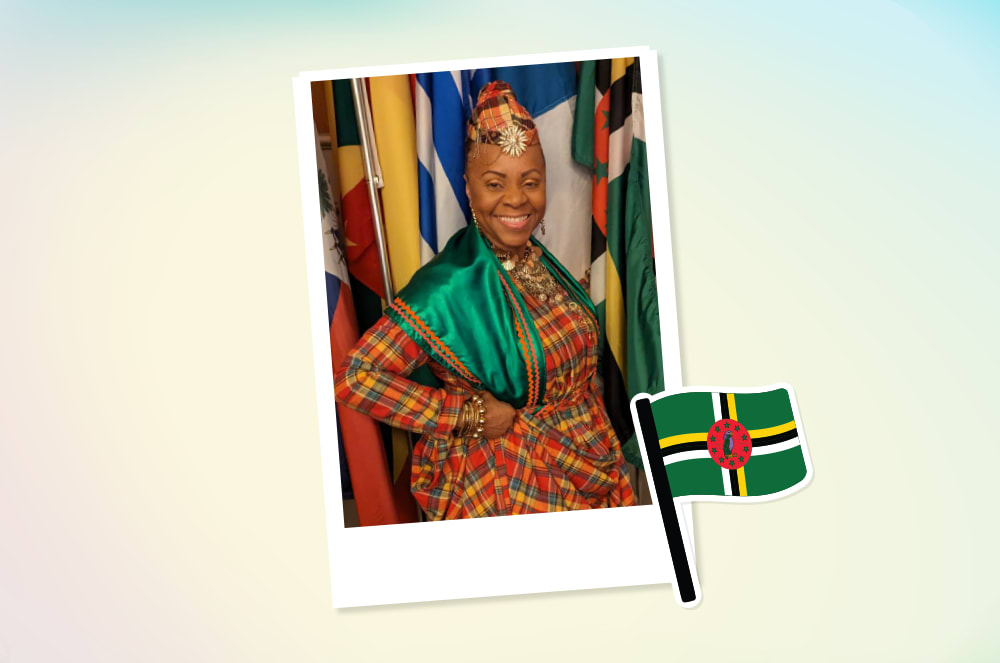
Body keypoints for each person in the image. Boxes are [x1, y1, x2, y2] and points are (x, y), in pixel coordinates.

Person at [334, 81, 634, 520]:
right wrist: (466, 414)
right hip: (508, 482)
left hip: (587, 460)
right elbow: (354, 378)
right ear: (469, 188)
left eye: (530, 182)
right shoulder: (448, 286)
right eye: (495, 183)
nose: (516, 199)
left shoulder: (538, 257)